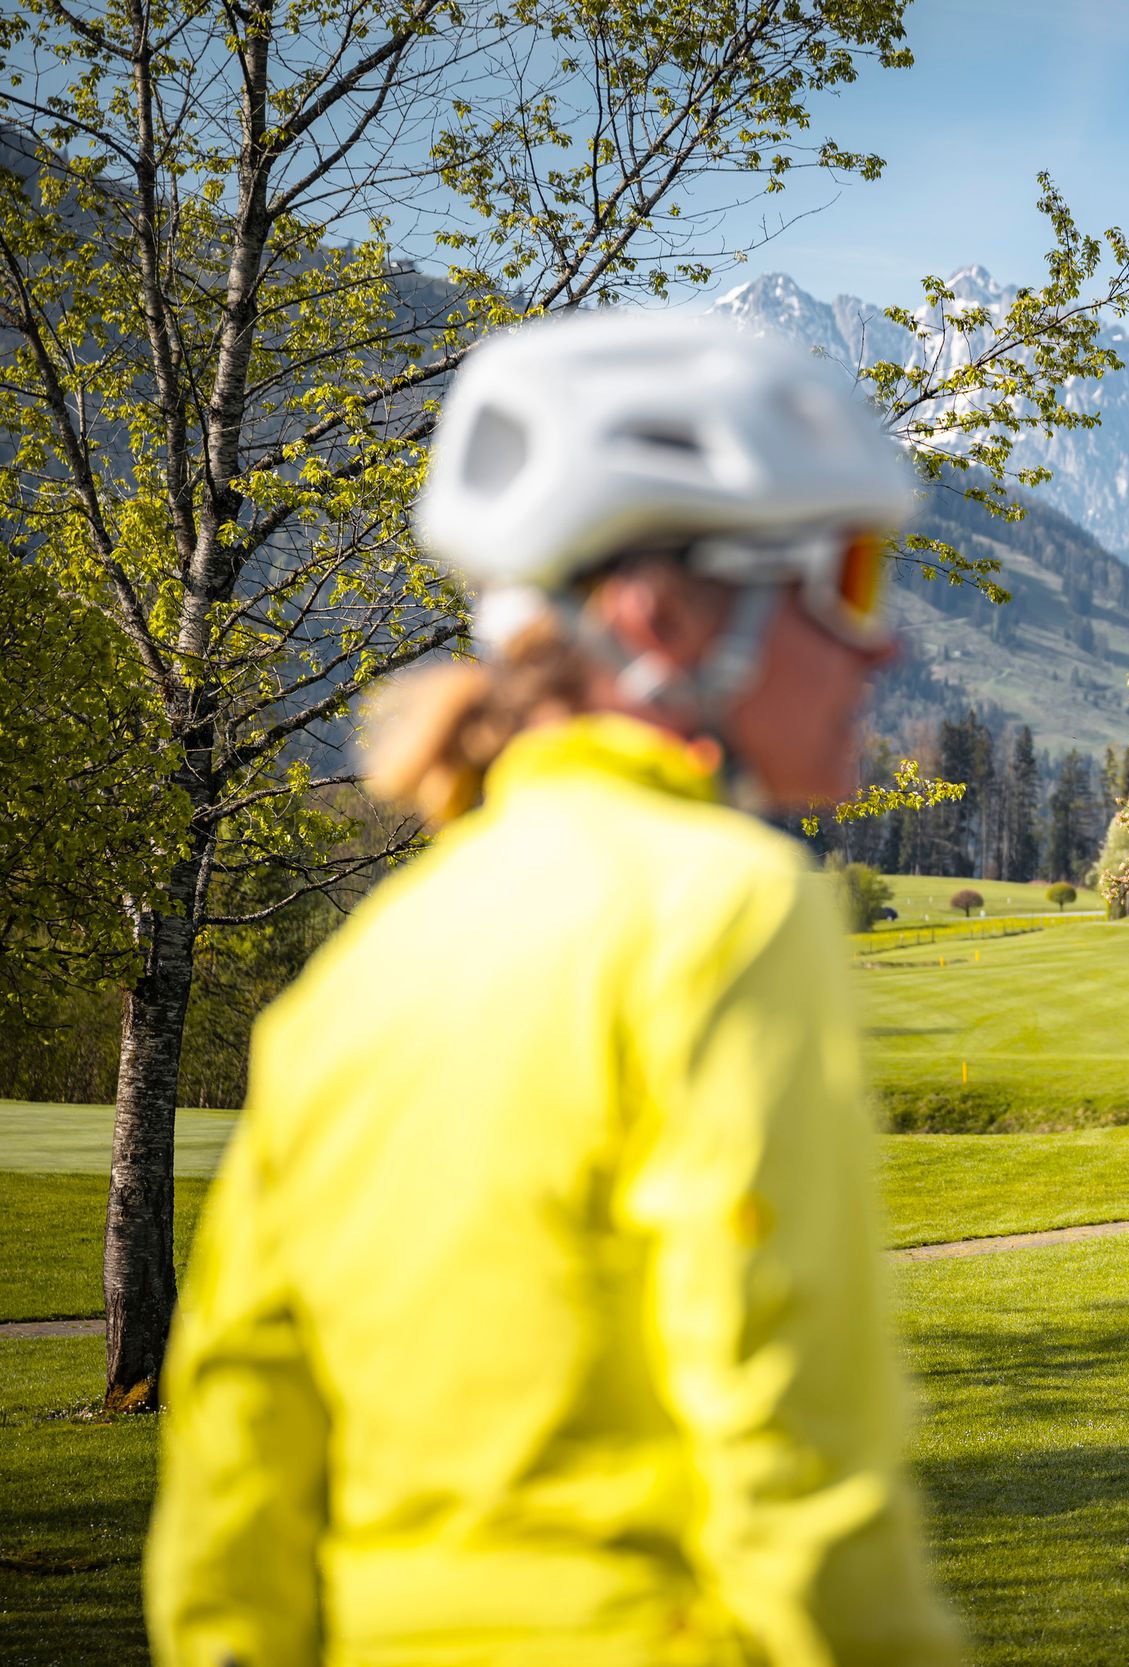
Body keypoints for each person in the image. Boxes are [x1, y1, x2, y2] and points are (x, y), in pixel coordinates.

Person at [145, 312, 965, 1667]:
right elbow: (786, 1422)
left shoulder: (362, 970)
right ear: (656, 618)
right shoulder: (725, 907)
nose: (880, 649)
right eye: (851, 579)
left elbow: (238, 1429)